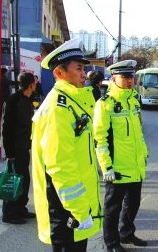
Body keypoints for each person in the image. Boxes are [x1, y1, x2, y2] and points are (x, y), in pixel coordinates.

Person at [31, 38, 102, 251]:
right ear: (59, 73)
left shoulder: (72, 102)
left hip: (72, 205)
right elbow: (60, 166)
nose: (84, 74)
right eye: (79, 68)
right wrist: (80, 211)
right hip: (66, 207)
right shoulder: (58, 109)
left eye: (84, 69)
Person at [93, 60, 148, 251]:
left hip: (136, 166)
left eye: (131, 76)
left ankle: (127, 233)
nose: (129, 80)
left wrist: (144, 155)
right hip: (117, 168)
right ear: (114, 78)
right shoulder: (105, 105)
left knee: (133, 205)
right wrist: (106, 166)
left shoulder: (134, 100)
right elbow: (100, 139)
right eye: (124, 77)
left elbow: (138, 134)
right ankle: (112, 242)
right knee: (112, 209)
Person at [1, 72, 36, 224]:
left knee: (24, 179)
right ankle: (9, 214)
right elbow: (6, 127)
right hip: (14, 148)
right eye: (34, 82)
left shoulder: (27, 100)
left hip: (23, 147)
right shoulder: (13, 100)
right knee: (13, 180)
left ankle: (20, 209)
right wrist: (9, 152)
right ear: (31, 85)